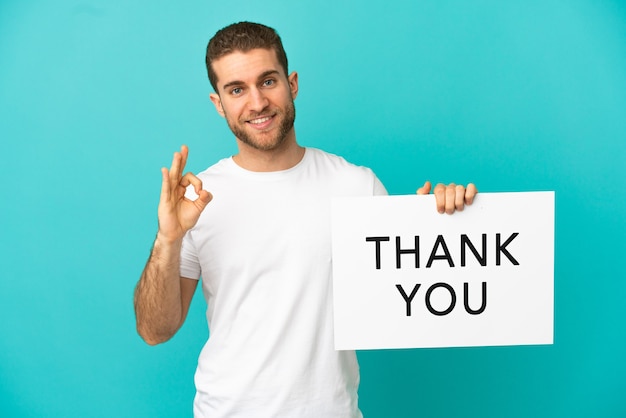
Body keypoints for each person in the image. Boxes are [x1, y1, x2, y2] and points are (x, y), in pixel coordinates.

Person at [134, 21, 477, 417]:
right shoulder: (197, 199)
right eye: (236, 89)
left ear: (291, 83)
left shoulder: (356, 185)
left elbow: (408, 299)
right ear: (218, 103)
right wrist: (168, 238)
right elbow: (154, 330)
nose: (257, 102)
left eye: (267, 81)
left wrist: (439, 225)